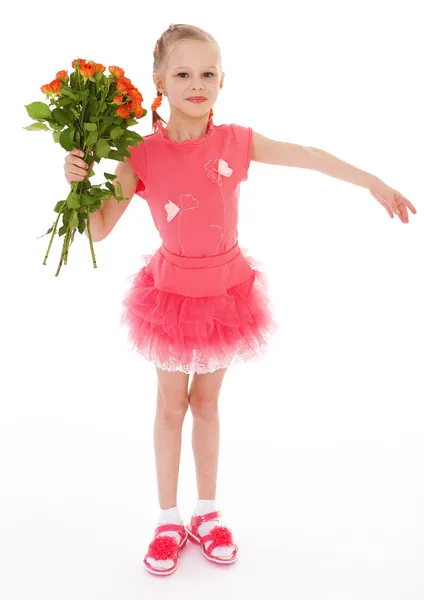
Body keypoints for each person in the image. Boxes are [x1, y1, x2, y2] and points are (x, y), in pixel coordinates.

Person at [64, 23, 417, 577]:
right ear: (159, 82)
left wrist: (372, 181)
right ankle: (166, 519)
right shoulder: (141, 154)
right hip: (171, 297)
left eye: (208, 73)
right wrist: (77, 186)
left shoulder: (236, 142)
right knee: (168, 407)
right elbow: (101, 227)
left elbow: (307, 154)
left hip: (225, 294)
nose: (196, 83)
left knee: (206, 405)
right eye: (183, 73)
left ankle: (208, 513)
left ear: (223, 80)